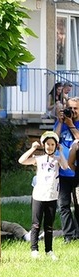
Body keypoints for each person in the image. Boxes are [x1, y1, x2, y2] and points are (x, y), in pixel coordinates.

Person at [18, 131, 69, 260]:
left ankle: (49, 250)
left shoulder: (57, 160)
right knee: (36, 224)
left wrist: (61, 152)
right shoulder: (38, 159)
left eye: (52, 144)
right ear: (43, 145)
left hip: (52, 196)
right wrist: (32, 149)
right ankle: (34, 249)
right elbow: (22, 160)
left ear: (56, 146)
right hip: (39, 196)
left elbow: (65, 166)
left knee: (49, 225)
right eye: (48, 144)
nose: (50, 147)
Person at [53, 96, 79, 242]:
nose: (72, 111)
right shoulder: (61, 123)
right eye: (70, 108)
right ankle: (69, 236)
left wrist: (71, 125)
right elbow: (54, 140)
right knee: (63, 205)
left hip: (77, 171)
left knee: (78, 205)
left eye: (76, 108)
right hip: (62, 172)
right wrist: (61, 122)